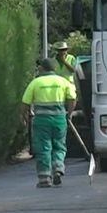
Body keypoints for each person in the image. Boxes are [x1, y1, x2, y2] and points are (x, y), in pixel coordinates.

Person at [21, 58, 76, 188]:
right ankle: (58, 168)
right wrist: (69, 113)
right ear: (55, 69)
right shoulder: (63, 81)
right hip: (59, 119)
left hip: (41, 120)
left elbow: (25, 103)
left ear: (41, 68)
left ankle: (44, 178)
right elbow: (72, 99)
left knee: (43, 147)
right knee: (59, 145)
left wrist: (24, 117)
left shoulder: (35, 83)